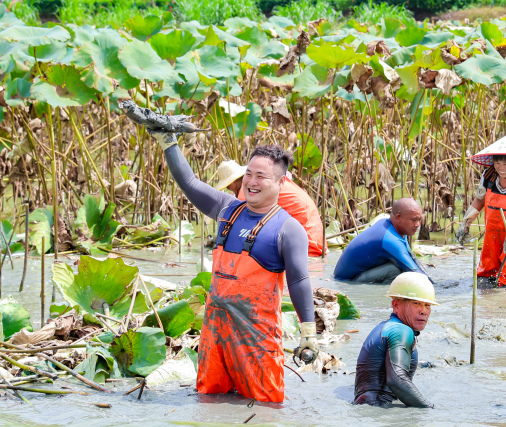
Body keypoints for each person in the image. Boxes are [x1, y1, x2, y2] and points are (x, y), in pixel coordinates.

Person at [151, 133, 316, 403]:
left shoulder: (289, 228)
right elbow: (190, 183)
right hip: (215, 333)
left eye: (261, 176)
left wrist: (308, 332)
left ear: (281, 182)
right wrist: (168, 143)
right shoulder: (228, 209)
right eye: (248, 173)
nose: (251, 182)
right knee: (209, 401)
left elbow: (299, 281)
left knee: (265, 408)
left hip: (257, 338)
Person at [354, 272, 437, 408]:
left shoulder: (385, 327)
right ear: (396, 305)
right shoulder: (401, 331)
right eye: (416, 303)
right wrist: (429, 408)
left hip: (368, 409)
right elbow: (397, 380)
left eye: (428, 305)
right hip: (381, 411)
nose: (424, 311)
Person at [216, 159, 326, 256]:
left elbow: (242, 226)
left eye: (228, 185)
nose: (228, 189)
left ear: (235, 180)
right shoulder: (272, 178)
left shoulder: (249, 191)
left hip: (305, 245)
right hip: (316, 237)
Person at [334, 198, 431, 284]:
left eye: (419, 219)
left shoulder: (393, 227)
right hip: (347, 282)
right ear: (398, 218)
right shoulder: (390, 239)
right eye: (414, 220)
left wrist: (431, 280)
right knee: (396, 270)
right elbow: (414, 272)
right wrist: (437, 289)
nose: (418, 224)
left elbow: (412, 258)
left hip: (358, 274)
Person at [458, 139, 506, 285]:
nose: (501, 168)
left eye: (505, 163)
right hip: (492, 234)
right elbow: (479, 200)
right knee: (486, 275)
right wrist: (465, 223)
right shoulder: (488, 176)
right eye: (497, 163)